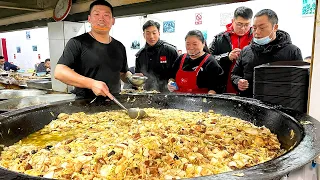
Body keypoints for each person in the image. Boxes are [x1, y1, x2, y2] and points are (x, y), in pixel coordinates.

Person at [54, 0, 131, 99]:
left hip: (115, 104)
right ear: (89, 19)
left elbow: (122, 73)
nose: (101, 19)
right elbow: (59, 72)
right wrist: (91, 83)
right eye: (97, 14)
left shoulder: (120, 46)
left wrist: (132, 78)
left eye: (106, 15)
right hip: (85, 105)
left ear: (113, 21)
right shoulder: (77, 42)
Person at [231, 9, 303, 98]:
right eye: (254, 28)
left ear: (275, 27)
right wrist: (238, 81)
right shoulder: (246, 50)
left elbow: (300, 83)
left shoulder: (292, 51)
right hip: (249, 104)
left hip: (279, 105)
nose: (257, 32)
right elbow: (234, 74)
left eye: (262, 28)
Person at [209, 6, 253, 94]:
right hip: (223, 86)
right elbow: (209, 60)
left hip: (249, 87)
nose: (243, 28)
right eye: (239, 24)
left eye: (246, 24)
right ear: (233, 21)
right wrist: (227, 57)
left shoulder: (256, 38)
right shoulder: (220, 38)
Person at [167, 30, 224, 94]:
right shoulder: (181, 58)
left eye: (195, 44)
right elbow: (171, 76)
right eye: (188, 44)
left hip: (200, 101)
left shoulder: (210, 62)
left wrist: (210, 96)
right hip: (178, 100)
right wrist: (171, 83)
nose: (191, 47)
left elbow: (217, 87)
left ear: (203, 44)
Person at [135, 20, 178, 92]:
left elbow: (178, 73)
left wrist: (172, 82)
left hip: (168, 94)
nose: (151, 36)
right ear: (144, 35)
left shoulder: (171, 51)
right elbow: (138, 77)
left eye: (154, 33)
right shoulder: (140, 55)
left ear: (159, 33)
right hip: (147, 94)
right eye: (148, 33)